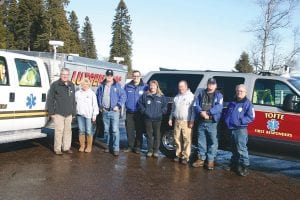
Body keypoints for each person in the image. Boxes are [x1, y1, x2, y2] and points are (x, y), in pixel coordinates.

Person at [192, 78, 223, 170]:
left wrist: (208, 113)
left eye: (213, 84)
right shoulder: (201, 93)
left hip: (212, 122)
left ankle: (210, 161)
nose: (211, 85)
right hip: (201, 121)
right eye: (209, 83)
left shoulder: (219, 95)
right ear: (207, 84)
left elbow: (219, 106)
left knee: (212, 142)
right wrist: (201, 112)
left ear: (215, 85)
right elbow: (195, 105)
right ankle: (201, 159)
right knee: (201, 142)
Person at [224, 84, 255, 176]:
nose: (239, 93)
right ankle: (234, 164)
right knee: (233, 148)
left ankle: (245, 166)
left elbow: (251, 117)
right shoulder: (233, 102)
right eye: (238, 91)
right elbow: (228, 113)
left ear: (245, 92)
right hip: (231, 129)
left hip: (240, 129)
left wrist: (240, 121)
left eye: (241, 91)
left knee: (241, 149)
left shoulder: (248, 103)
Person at [96, 69, 126, 156]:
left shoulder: (117, 85)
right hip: (105, 111)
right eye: (107, 75)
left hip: (114, 111)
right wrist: (100, 106)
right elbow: (98, 95)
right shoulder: (102, 85)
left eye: (110, 75)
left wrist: (119, 105)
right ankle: (109, 146)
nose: (109, 77)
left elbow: (123, 96)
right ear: (105, 76)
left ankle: (116, 148)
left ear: (112, 76)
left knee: (115, 130)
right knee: (106, 130)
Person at [47, 68, 76, 155]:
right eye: (63, 74)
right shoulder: (55, 85)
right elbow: (50, 99)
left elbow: (73, 100)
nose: (65, 76)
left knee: (68, 131)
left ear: (68, 75)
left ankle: (66, 148)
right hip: (58, 113)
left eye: (66, 74)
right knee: (59, 131)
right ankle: (57, 149)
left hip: (69, 113)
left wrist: (73, 112)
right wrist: (51, 112)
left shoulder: (71, 85)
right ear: (60, 75)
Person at [138, 80, 167, 158]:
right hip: (148, 118)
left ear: (157, 86)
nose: (152, 87)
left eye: (154, 85)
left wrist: (161, 112)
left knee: (157, 135)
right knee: (149, 135)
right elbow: (140, 104)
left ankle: (156, 151)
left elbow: (165, 107)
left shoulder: (161, 96)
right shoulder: (145, 95)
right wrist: (144, 111)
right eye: (151, 85)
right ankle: (150, 150)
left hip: (158, 119)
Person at [168, 80, 195, 164]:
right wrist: (170, 118)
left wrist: (192, 120)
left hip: (186, 121)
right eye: (179, 86)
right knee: (177, 138)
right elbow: (173, 109)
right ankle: (178, 154)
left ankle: (185, 156)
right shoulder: (177, 97)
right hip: (177, 121)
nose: (180, 88)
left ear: (186, 87)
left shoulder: (191, 96)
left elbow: (193, 110)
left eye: (182, 86)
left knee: (187, 139)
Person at [124, 70, 148, 153]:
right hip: (129, 112)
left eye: (137, 76)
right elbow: (123, 97)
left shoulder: (145, 87)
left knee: (139, 130)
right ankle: (130, 146)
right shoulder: (127, 86)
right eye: (134, 76)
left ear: (140, 77)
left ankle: (138, 147)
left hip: (139, 112)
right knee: (129, 130)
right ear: (132, 77)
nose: (136, 77)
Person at [75, 78, 99, 153]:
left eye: (86, 84)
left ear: (89, 85)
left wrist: (94, 115)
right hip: (80, 115)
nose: (85, 85)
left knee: (88, 131)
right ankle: (82, 146)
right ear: (81, 84)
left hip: (88, 115)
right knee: (81, 131)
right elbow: (74, 103)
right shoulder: (77, 93)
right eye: (83, 84)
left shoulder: (92, 93)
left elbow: (95, 105)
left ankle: (89, 146)